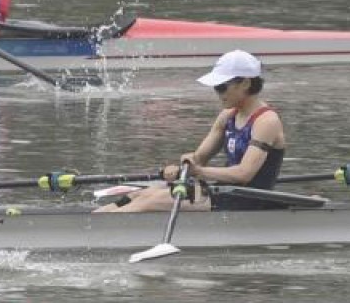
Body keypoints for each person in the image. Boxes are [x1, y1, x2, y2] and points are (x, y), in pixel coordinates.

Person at [96, 50, 286, 213]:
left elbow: (244, 174)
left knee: (151, 202)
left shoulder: (266, 121)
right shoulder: (227, 116)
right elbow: (199, 158)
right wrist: (184, 166)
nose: (217, 93)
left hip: (248, 200)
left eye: (221, 87)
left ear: (245, 83)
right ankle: (95, 218)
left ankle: (96, 233)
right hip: (224, 192)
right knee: (142, 193)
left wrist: (199, 171)